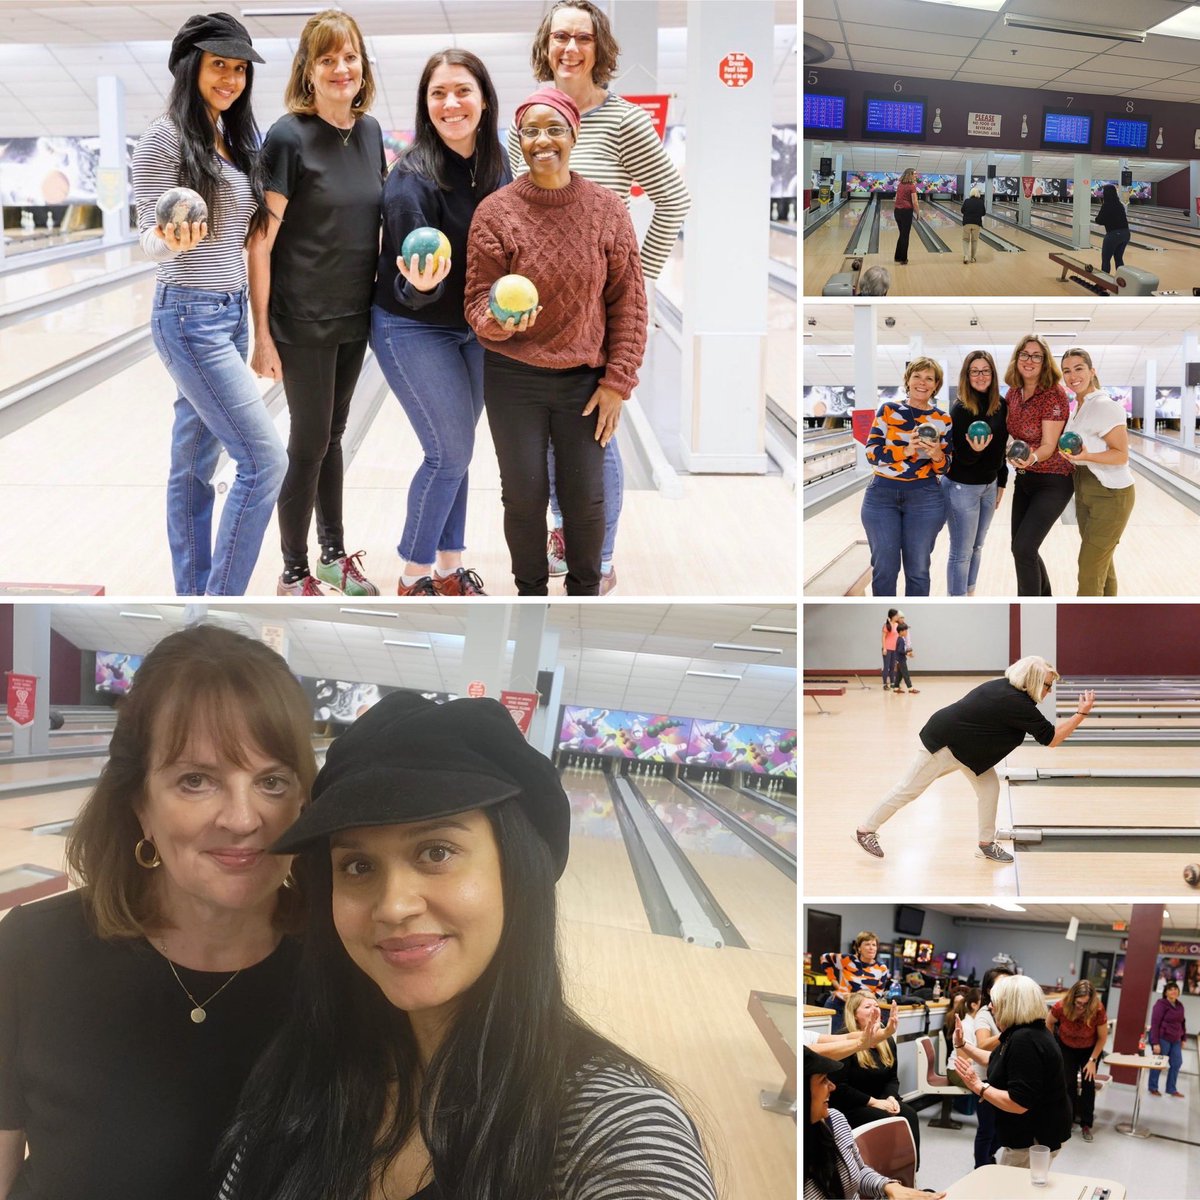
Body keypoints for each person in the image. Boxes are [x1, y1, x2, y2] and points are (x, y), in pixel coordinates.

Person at [217, 692, 716, 1199]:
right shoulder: (303, 1077)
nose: (393, 906)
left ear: (518, 872)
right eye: (358, 866)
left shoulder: (611, 1128)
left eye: (437, 851)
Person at [0, 625, 316, 1199]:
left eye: (272, 781)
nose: (243, 819)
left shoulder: (342, 972)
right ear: (140, 804)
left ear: (303, 800)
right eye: (196, 780)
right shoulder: (32, 951)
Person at [511, 0, 691, 595]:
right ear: (546, 43)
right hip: (535, 322)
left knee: (596, 434)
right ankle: (568, 534)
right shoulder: (532, 119)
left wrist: (642, 282)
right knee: (550, 445)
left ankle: (600, 552)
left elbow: (674, 201)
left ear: (598, 47)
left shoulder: (622, 120)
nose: (570, 48)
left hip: (597, 316)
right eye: (560, 36)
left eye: (582, 38)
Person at [466, 87, 647, 596]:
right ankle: (530, 595)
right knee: (522, 497)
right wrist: (502, 322)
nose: (542, 140)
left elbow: (629, 303)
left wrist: (617, 382)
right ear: (518, 141)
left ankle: (585, 594)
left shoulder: (607, 210)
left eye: (554, 129)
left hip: (583, 382)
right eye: (531, 131)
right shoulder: (496, 212)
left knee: (586, 498)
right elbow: (477, 302)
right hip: (512, 377)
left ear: (574, 135)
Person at [132, 13, 287, 595]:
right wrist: (168, 239)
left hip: (230, 316)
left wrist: (260, 328)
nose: (230, 78)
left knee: (194, 468)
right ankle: (221, 603)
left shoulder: (238, 138)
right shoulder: (164, 138)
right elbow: (145, 235)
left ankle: (193, 597)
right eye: (219, 64)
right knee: (265, 461)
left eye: (239, 68)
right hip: (187, 315)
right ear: (190, 67)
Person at [249, 9, 385, 598]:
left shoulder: (372, 131)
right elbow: (261, 241)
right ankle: (294, 570)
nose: (340, 68)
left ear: (362, 63)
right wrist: (261, 333)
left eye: (349, 55)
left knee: (334, 435)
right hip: (301, 318)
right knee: (307, 442)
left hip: (354, 314)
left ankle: (333, 554)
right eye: (326, 58)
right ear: (307, 68)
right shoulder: (287, 136)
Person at [371, 49, 511, 599]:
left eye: (462, 91)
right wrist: (421, 286)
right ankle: (413, 576)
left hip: (475, 326)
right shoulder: (410, 178)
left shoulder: (499, 164)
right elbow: (410, 280)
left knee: (460, 450)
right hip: (412, 326)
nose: (451, 104)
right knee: (448, 451)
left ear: (483, 99)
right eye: (438, 93)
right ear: (425, 104)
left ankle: (450, 570)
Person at [855, 655, 1096, 863]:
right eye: (1047, 685)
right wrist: (1081, 714)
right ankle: (865, 830)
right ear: (1033, 681)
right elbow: (1052, 739)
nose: (1049, 691)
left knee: (989, 789)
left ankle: (985, 845)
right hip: (945, 744)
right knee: (908, 790)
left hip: (968, 752)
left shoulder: (1006, 688)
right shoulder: (1016, 703)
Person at [953, 974, 1073, 1169]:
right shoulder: (1024, 1031)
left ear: (1011, 1005)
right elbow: (995, 1060)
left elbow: (1019, 1103)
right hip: (1037, 1131)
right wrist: (963, 1045)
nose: (990, 1007)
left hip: (1034, 1138)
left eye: (995, 1002)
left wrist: (979, 1087)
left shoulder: (1025, 1040)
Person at [860, 357, 950, 597]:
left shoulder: (943, 420)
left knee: (918, 570)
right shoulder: (889, 410)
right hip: (881, 496)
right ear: (908, 380)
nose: (922, 382)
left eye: (929, 378)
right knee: (884, 569)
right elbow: (871, 454)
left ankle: (914, 625)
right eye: (917, 376)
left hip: (925, 497)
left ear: (936, 384)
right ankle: (887, 626)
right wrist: (906, 450)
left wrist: (938, 455)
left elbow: (945, 468)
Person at [805, 1048, 943, 1200]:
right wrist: (875, 1102)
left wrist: (888, 1186)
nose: (832, 1086)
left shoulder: (836, 1121)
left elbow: (859, 1171)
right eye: (823, 1080)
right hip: (858, 1105)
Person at [1059, 348, 1135, 596]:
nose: (1073, 376)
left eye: (1079, 368)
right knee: (1102, 563)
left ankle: (1086, 629)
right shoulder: (1078, 406)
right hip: (1084, 488)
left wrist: (1085, 456)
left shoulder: (1105, 406)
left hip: (1111, 493)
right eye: (1067, 371)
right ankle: (1110, 622)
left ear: (1092, 371)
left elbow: (1121, 455)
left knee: (1089, 569)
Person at [1003, 335, 1073, 595]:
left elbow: (1048, 445)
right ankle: (1045, 599)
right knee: (1021, 548)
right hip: (1025, 478)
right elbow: (1010, 433)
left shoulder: (1053, 394)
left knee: (1023, 548)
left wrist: (1030, 457)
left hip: (1053, 480)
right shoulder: (1013, 392)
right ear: (1017, 358)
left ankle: (1029, 606)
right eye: (1024, 354)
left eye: (1036, 356)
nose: (1029, 360)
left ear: (1045, 362)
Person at [828, 994, 921, 1167]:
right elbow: (839, 1088)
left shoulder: (886, 1039)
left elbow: (892, 1077)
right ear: (855, 1014)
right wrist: (874, 1103)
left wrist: (891, 1097)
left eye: (876, 1006)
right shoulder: (844, 1040)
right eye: (867, 1007)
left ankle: (909, 1171)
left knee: (910, 1115)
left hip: (882, 1099)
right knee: (887, 1120)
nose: (875, 1010)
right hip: (852, 1104)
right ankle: (883, 1174)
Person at [945, 351, 1007, 596]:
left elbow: (1001, 448)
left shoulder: (1001, 405)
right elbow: (957, 460)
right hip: (963, 487)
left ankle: (970, 594)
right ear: (966, 375)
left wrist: (1001, 482)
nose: (981, 376)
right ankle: (956, 600)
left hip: (989, 486)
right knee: (962, 551)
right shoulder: (960, 409)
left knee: (977, 546)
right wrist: (974, 451)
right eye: (975, 371)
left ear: (992, 374)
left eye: (985, 370)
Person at [1047, 980, 1108, 1142]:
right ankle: (1069, 1119)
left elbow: (1102, 1038)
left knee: (1088, 1083)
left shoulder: (1098, 1010)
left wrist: (1093, 1060)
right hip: (1066, 1047)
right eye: (1079, 1002)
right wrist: (1053, 1046)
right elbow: (1049, 1023)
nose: (1081, 1006)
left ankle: (1086, 1123)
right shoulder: (1061, 1006)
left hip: (1090, 1049)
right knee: (1068, 1084)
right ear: (1073, 997)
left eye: (1085, 1003)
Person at [967, 967, 1013, 1167]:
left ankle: (989, 1158)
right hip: (985, 1078)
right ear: (988, 990)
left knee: (1003, 1130)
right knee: (987, 1130)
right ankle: (980, 1168)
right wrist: (1009, 1032)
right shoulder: (985, 1013)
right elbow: (983, 1044)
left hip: (1005, 1079)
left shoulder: (1011, 1011)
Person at [821, 930, 894, 1030]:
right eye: (867, 944)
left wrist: (859, 1000)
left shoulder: (882, 968)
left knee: (856, 1041)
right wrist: (835, 983)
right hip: (839, 1006)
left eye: (874, 944)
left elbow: (877, 994)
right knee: (835, 1040)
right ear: (859, 948)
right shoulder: (848, 959)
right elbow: (824, 958)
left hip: (860, 1010)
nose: (871, 948)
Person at [1149, 981, 1187, 1098]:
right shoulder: (1160, 1005)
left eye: (1175, 989)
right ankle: (1153, 1087)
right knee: (1159, 1063)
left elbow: (1182, 1023)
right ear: (1165, 993)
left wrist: (1183, 1038)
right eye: (1170, 989)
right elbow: (1155, 1024)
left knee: (1177, 1063)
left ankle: (1171, 1089)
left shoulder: (1180, 1005)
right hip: (1163, 1038)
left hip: (1176, 1039)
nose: (1174, 991)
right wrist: (1155, 1042)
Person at [1096, 184, 1130, 275]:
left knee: (1106, 260)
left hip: (1113, 234)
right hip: (1126, 234)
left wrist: (1106, 220)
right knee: (1119, 258)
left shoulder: (1106, 205)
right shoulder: (1120, 205)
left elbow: (1099, 220)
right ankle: (1123, 282)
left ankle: (1103, 283)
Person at [892, 168, 918, 265]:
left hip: (897, 212)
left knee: (902, 234)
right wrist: (918, 213)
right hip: (906, 212)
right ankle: (903, 259)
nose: (916, 175)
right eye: (914, 174)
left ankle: (897, 257)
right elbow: (915, 202)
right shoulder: (912, 187)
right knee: (905, 235)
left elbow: (896, 198)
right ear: (909, 175)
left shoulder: (899, 185)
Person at [960, 185, 985, 264]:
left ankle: (966, 256)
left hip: (967, 223)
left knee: (965, 240)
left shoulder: (967, 201)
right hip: (976, 223)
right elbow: (983, 213)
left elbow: (962, 210)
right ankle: (973, 258)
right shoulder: (981, 202)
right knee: (974, 241)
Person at [891, 622, 917, 694]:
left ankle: (896, 688)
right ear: (901, 631)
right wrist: (907, 653)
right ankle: (910, 688)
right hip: (901, 660)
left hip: (899, 660)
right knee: (906, 674)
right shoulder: (901, 640)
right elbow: (900, 650)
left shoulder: (899, 638)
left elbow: (899, 650)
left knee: (899, 675)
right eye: (905, 631)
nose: (906, 632)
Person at [881, 609, 900, 690]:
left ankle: (893, 683)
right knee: (886, 667)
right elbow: (883, 637)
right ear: (892, 616)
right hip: (887, 648)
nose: (898, 616)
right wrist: (884, 648)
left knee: (893, 667)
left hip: (895, 649)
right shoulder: (886, 625)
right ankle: (885, 684)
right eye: (896, 615)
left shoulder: (897, 625)